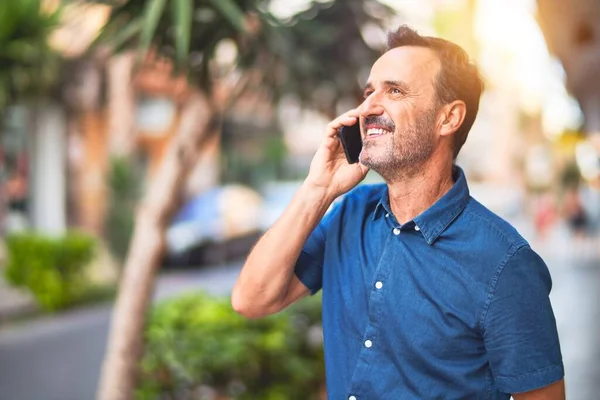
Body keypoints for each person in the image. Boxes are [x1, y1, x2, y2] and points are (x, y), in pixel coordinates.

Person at [232, 25, 565, 399]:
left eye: (394, 91)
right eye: (368, 91)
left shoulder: (504, 263)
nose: (367, 108)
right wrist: (317, 189)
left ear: (448, 118)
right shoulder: (349, 214)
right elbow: (252, 299)